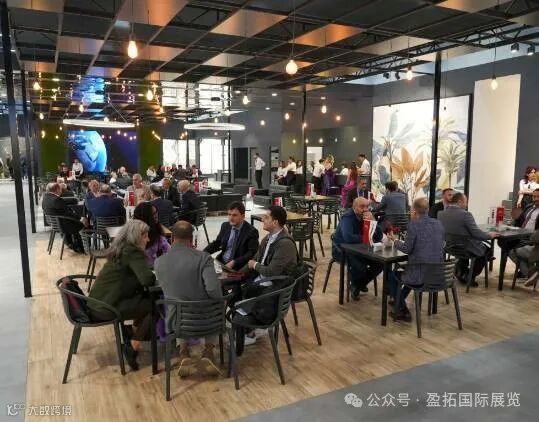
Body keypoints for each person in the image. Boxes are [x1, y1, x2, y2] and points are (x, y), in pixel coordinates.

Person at [155, 221, 223, 376]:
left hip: (177, 323)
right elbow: (214, 290)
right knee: (215, 304)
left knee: (177, 302)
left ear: (172, 238)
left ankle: (183, 352)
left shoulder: (159, 262)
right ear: (191, 239)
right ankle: (208, 351)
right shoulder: (204, 258)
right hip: (206, 322)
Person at [88, 220, 156, 371]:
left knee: (144, 301)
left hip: (96, 302)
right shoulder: (133, 252)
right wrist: (153, 273)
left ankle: (132, 333)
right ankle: (133, 346)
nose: (148, 239)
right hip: (107, 308)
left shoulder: (119, 248)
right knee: (153, 306)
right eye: (145, 236)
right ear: (136, 237)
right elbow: (147, 279)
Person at [238, 206, 298, 345]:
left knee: (240, 293)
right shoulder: (268, 238)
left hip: (275, 287)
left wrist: (254, 265)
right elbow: (255, 259)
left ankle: (251, 330)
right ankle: (245, 327)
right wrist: (237, 274)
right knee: (236, 286)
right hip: (264, 281)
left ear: (275, 222)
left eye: (266, 218)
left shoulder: (285, 244)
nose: (262, 220)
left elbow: (271, 272)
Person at [387, 198, 445, 322]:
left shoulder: (413, 225)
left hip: (420, 276)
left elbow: (407, 249)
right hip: (438, 274)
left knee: (391, 275)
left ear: (414, 210)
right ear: (427, 209)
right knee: (410, 272)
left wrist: (394, 240)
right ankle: (398, 301)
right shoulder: (438, 224)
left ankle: (402, 310)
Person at [438, 192, 498, 286]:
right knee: (487, 251)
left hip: (450, 247)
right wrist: (490, 235)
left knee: (466, 252)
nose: (466, 205)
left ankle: (461, 272)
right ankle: (469, 276)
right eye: (465, 202)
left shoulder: (441, 214)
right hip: (465, 247)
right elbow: (477, 234)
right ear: (459, 202)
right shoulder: (466, 215)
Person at [332, 197, 383, 300]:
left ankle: (358, 284)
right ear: (354, 207)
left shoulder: (367, 217)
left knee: (379, 264)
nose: (365, 209)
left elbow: (379, 237)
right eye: (362, 207)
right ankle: (357, 284)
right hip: (341, 250)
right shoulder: (347, 217)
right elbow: (348, 238)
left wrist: (373, 221)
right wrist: (366, 238)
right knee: (360, 266)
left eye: (367, 207)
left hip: (360, 250)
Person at [204, 202, 259, 271]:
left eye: (234, 215)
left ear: (243, 216)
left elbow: (251, 253)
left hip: (239, 266)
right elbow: (217, 243)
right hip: (222, 261)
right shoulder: (225, 226)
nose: (231, 218)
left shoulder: (251, 232)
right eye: (229, 214)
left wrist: (235, 262)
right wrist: (203, 253)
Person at [42, 182, 85, 253]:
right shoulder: (57, 199)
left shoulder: (46, 197)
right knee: (80, 223)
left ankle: (69, 243)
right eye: (60, 189)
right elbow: (68, 213)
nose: (61, 191)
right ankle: (78, 247)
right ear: (57, 189)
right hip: (62, 224)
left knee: (74, 221)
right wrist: (80, 218)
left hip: (53, 223)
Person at [133, 202, 171, 267]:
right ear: (145, 217)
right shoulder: (136, 236)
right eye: (152, 214)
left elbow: (168, 253)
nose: (156, 216)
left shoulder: (158, 233)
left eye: (156, 212)